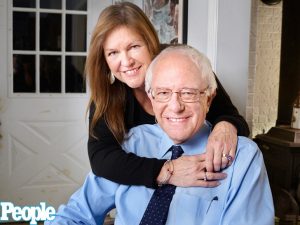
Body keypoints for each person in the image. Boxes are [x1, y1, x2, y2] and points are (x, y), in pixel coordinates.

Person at [47, 45, 273, 225]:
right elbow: (75, 215)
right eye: (163, 93)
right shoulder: (132, 143)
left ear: (209, 98)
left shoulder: (241, 158)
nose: (175, 107)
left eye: (188, 93)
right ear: (151, 97)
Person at [86, 2, 250, 189]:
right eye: (113, 53)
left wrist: (225, 126)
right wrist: (167, 171)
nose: (126, 61)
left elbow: (235, 119)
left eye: (133, 47)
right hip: (143, 194)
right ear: (104, 60)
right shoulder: (107, 97)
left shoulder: (186, 66)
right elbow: (101, 158)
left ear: (149, 42)